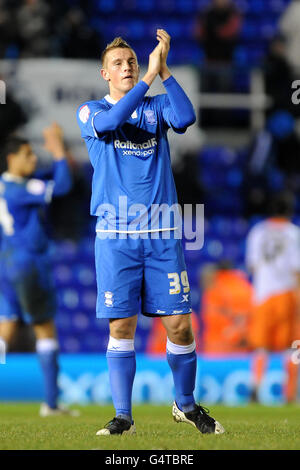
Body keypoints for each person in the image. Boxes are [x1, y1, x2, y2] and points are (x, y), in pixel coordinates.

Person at [77, 30, 224, 436]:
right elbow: (112, 121)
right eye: (120, 64)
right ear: (105, 72)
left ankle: (186, 405)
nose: (128, 67)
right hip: (115, 236)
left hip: (162, 235)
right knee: (121, 326)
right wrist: (147, 79)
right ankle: (123, 415)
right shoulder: (89, 111)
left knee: (179, 324)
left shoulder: (156, 106)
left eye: (134, 63)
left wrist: (165, 73)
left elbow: (185, 118)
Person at [0, 123, 77, 416]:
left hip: (6, 262)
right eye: (28, 155)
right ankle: (52, 403)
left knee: (5, 329)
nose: (33, 160)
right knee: (45, 329)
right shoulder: (21, 189)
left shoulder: (5, 186)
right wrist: (57, 148)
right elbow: (64, 186)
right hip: (28, 263)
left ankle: (52, 403)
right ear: (12, 158)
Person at [245, 191, 300, 402]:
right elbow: (296, 269)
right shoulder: (293, 233)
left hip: (262, 295)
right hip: (286, 293)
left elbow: (252, 265)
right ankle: (290, 393)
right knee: (291, 346)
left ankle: (256, 387)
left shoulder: (258, 231)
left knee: (261, 346)